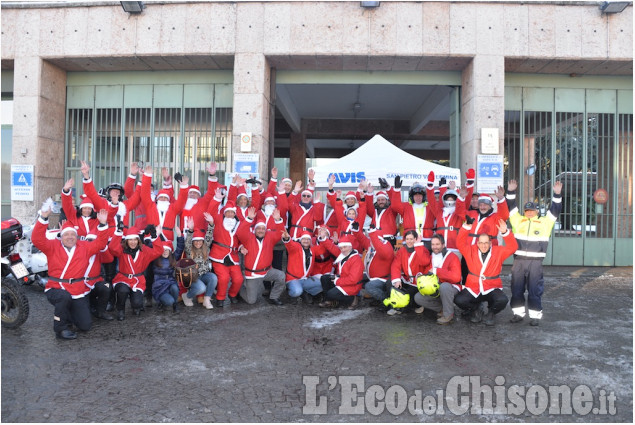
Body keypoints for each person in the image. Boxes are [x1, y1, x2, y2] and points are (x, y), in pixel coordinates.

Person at [31, 201, 109, 340]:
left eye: (73, 235)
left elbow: (101, 243)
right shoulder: (52, 246)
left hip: (78, 289)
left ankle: (70, 313)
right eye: (66, 235)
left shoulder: (84, 247)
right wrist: (43, 218)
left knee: (85, 326)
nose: (70, 237)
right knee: (64, 298)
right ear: (61, 236)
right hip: (56, 287)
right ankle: (60, 328)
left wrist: (102, 225)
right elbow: (37, 239)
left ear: (76, 236)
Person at [506, 179, 563, 326]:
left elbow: (555, 210)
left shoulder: (545, 222)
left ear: (537, 211)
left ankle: (535, 316)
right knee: (516, 288)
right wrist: (511, 191)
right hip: (518, 261)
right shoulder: (518, 221)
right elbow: (511, 207)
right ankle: (518, 314)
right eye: (527, 211)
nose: (530, 213)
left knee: (534, 289)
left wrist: (557, 194)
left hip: (535, 263)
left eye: (532, 211)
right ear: (524, 212)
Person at [455, 218, 518, 326]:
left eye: (486, 243)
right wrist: (467, 227)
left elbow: (513, 247)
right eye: (481, 243)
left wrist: (505, 233)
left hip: (491, 286)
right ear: (477, 243)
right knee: (459, 300)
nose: (483, 245)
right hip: (474, 286)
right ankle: (475, 310)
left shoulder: (498, 251)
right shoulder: (470, 250)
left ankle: (491, 313)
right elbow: (459, 243)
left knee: (502, 300)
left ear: (490, 243)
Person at [108, 224, 164, 321]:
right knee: (122, 291)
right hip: (123, 278)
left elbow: (159, 251)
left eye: (135, 239)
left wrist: (154, 236)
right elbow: (112, 248)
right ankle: (120, 309)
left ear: (138, 240)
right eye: (130, 240)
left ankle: (136, 305)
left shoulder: (144, 250)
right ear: (127, 240)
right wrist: (119, 232)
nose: (133, 242)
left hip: (138, 280)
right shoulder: (122, 249)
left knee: (137, 304)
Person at [236, 207, 286, 305]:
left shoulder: (270, 237)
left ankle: (274, 297)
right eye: (258, 228)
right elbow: (240, 232)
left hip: (267, 272)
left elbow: (281, 233)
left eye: (263, 229)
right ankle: (239, 289)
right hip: (252, 275)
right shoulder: (248, 237)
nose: (261, 230)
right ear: (255, 230)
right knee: (251, 301)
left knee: (281, 276)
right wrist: (249, 219)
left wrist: (278, 220)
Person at [412, 234, 462, 324]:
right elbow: (424, 264)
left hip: (451, 287)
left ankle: (448, 315)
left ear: (443, 245)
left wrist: (437, 271)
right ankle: (443, 308)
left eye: (437, 244)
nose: (435, 247)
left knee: (444, 287)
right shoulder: (431, 256)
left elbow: (456, 277)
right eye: (433, 244)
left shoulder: (452, 257)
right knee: (418, 297)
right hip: (435, 287)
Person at [207, 189, 244, 307]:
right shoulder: (218, 219)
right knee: (223, 278)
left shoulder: (239, 223)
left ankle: (232, 295)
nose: (230, 214)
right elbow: (210, 212)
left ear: (234, 213)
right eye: (227, 212)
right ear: (224, 212)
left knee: (238, 279)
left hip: (232, 256)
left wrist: (242, 246)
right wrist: (217, 199)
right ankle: (220, 298)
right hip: (218, 254)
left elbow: (242, 237)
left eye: (232, 213)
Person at [388, 229, 431, 315]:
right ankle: (396, 306)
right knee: (390, 283)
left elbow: (424, 262)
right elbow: (395, 265)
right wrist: (397, 280)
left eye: (411, 239)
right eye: (407, 239)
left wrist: (418, 245)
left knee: (409, 295)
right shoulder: (402, 251)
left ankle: (416, 305)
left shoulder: (423, 249)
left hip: (417, 282)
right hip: (406, 279)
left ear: (416, 239)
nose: (409, 241)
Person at [318, 233, 364, 308]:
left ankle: (352, 299)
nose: (343, 249)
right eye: (341, 248)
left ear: (350, 246)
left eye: (345, 247)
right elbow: (331, 247)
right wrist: (324, 238)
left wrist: (337, 281)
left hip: (352, 286)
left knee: (330, 293)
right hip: (343, 280)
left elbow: (353, 280)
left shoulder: (356, 260)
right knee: (324, 278)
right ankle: (329, 300)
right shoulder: (343, 254)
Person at [282, 230, 327, 303]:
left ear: (310, 241)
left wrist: (322, 238)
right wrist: (287, 239)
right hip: (293, 279)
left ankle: (304, 292)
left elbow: (322, 249)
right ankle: (291, 293)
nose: (306, 241)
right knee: (297, 291)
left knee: (322, 284)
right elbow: (289, 244)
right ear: (300, 240)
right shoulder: (296, 247)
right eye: (304, 239)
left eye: (308, 239)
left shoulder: (313, 249)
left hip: (305, 279)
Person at [183, 213, 218, 309]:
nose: (198, 243)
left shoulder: (205, 247)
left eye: (200, 241)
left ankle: (207, 299)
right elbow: (188, 241)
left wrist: (211, 223)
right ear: (193, 242)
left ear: (203, 242)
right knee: (201, 288)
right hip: (193, 276)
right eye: (196, 241)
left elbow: (209, 236)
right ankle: (187, 296)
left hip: (204, 274)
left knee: (213, 277)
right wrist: (190, 230)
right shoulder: (189, 249)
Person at [390, 175, 436, 247]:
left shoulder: (429, 207)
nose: (418, 197)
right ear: (412, 196)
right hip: (410, 238)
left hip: (427, 239)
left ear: (423, 196)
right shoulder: (406, 206)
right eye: (416, 195)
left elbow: (436, 204)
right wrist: (397, 190)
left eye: (420, 195)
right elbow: (395, 205)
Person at [355, 223, 395, 305]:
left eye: (374, 240)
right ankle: (356, 298)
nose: (371, 242)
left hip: (383, 279)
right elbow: (362, 239)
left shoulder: (386, 248)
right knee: (356, 277)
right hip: (373, 277)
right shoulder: (372, 245)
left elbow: (380, 249)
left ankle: (386, 301)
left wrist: (373, 235)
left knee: (369, 286)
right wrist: (355, 231)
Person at [152, 232, 185, 313]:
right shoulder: (155, 258)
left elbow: (180, 249)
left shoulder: (173, 258)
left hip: (170, 282)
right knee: (169, 301)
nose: (165, 251)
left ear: (170, 251)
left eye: (167, 250)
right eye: (163, 249)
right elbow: (152, 248)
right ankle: (160, 302)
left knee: (175, 287)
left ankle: (175, 305)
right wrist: (155, 235)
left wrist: (180, 236)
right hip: (160, 286)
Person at [364, 179, 398, 246]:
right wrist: (370, 193)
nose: (381, 201)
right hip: (375, 239)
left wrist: (388, 188)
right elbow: (368, 206)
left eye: (382, 199)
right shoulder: (374, 211)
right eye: (379, 200)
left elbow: (394, 200)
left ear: (386, 200)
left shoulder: (392, 210)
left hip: (388, 239)